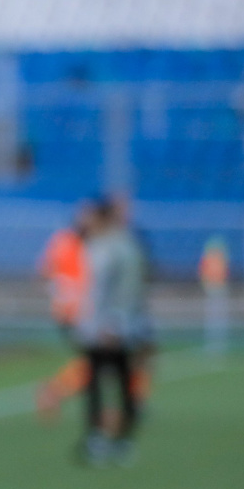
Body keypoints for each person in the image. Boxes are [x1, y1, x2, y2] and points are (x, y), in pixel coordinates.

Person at [78, 197, 148, 465]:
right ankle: (103, 437)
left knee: (117, 381)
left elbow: (125, 289)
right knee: (101, 381)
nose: (83, 220)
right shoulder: (98, 244)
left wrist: (113, 323)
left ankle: (117, 439)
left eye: (88, 215)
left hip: (113, 328)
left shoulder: (117, 246)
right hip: (101, 326)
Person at [34, 205, 94, 420]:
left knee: (93, 361)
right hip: (77, 313)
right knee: (94, 361)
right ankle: (54, 391)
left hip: (71, 312)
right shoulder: (78, 243)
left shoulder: (62, 240)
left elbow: (44, 270)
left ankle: (55, 391)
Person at [199, 235, 231, 356]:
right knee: (212, 317)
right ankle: (213, 342)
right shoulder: (210, 259)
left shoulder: (219, 258)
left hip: (219, 288)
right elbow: (203, 272)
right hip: (212, 288)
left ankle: (219, 342)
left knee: (219, 317)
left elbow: (224, 272)